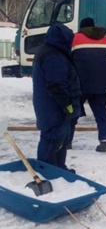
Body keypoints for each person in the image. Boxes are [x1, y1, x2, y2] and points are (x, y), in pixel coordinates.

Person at [32, 23, 81, 171]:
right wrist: (67, 104)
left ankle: (59, 169)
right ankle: (45, 171)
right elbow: (56, 85)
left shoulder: (50, 52)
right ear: (63, 39)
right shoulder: (54, 56)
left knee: (61, 139)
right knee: (52, 139)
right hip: (53, 107)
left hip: (52, 107)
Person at [70, 17, 106, 152]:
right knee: (101, 113)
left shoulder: (75, 39)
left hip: (80, 85)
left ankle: (67, 141)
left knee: (72, 113)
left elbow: (68, 62)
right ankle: (105, 140)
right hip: (100, 85)